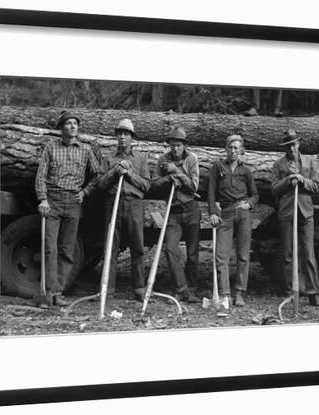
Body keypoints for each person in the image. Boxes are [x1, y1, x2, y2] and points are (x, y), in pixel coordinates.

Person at [34, 111, 101, 308]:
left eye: (75, 124)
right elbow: (41, 175)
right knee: (49, 248)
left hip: (74, 201)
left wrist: (85, 192)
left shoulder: (86, 150)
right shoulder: (51, 147)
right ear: (62, 127)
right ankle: (46, 293)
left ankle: (58, 292)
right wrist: (43, 199)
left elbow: (97, 175)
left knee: (67, 249)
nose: (72, 126)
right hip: (53, 200)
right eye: (68, 123)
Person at [271, 129, 319, 307]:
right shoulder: (278, 165)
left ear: (299, 144)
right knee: (288, 254)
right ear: (285, 148)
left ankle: (313, 294)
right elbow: (274, 190)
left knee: (308, 252)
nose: (291, 149)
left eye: (294, 144)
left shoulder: (309, 162)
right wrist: (289, 180)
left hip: (306, 213)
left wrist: (303, 180)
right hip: (287, 213)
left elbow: (317, 187)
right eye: (288, 146)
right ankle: (290, 292)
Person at [97, 119, 150, 301]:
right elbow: (101, 185)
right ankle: (107, 289)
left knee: (137, 247)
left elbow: (146, 185)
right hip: (114, 203)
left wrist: (129, 174)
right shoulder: (109, 158)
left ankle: (139, 288)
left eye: (126, 134)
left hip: (134, 204)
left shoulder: (141, 158)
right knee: (111, 246)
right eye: (119, 133)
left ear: (132, 137)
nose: (122, 137)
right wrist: (115, 171)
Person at [208, 135, 259, 308]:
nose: (233, 151)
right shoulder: (218, 167)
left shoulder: (245, 170)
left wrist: (249, 204)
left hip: (243, 213)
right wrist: (213, 212)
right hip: (226, 213)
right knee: (221, 255)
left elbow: (255, 194)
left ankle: (239, 293)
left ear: (241, 150)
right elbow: (211, 193)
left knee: (243, 254)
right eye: (231, 147)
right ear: (226, 148)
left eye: (237, 148)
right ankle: (225, 294)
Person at [151, 127, 200, 303]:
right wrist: (167, 178)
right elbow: (154, 184)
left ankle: (192, 289)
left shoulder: (192, 159)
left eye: (178, 145)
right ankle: (181, 288)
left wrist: (177, 171)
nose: (175, 149)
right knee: (170, 248)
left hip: (191, 209)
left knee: (193, 253)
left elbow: (194, 187)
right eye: (172, 145)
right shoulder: (163, 160)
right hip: (173, 211)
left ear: (184, 145)